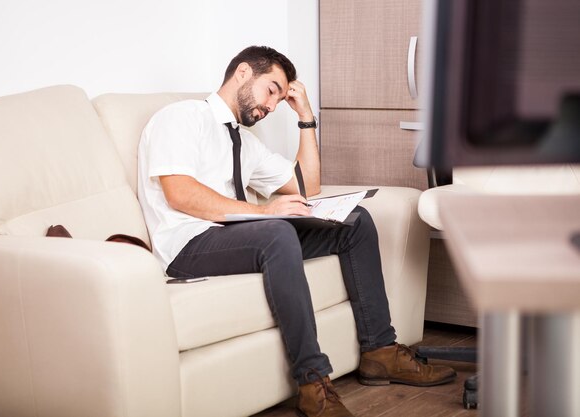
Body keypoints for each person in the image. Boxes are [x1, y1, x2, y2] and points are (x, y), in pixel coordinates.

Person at [137, 46, 456, 417]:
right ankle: (312, 380)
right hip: (188, 245)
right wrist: (262, 211)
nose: (272, 106)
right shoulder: (181, 117)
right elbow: (179, 192)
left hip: (235, 236)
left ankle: (380, 352)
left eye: (278, 98)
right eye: (271, 90)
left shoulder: (244, 142)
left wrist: (305, 117)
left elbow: (308, 184)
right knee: (276, 233)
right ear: (242, 73)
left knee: (354, 222)